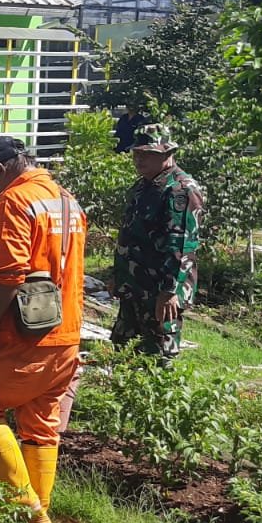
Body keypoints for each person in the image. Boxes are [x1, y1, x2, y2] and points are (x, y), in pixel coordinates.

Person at [0, 136, 85, 523]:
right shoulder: (68, 199)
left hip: (26, 335)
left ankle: (28, 511)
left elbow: (11, 274)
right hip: (66, 334)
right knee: (41, 427)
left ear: (1, 168)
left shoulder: (14, 202)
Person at [112, 132, 205, 363]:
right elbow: (129, 234)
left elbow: (182, 244)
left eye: (148, 154)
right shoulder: (144, 186)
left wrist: (170, 291)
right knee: (124, 349)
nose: (139, 160)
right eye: (137, 153)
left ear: (168, 154)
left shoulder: (180, 189)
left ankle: (157, 398)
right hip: (135, 284)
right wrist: (118, 275)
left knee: (159, 354)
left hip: (159, 289)